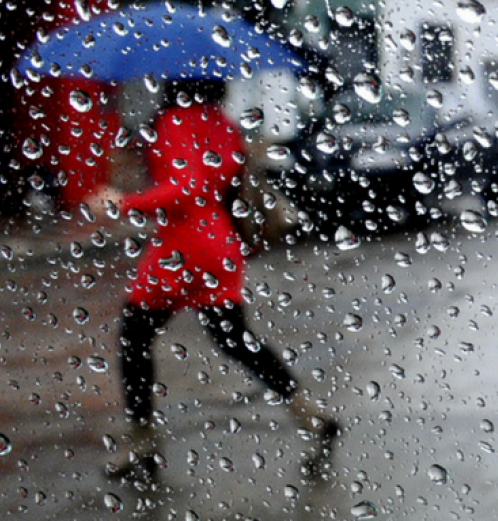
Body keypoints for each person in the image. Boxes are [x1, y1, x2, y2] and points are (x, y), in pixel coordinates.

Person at [105, 80, 337, 483]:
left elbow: (185, 187)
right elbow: (221, 182)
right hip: (219, 241)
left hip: (180, 246)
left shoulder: (174, 120)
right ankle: (311, 416)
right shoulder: (222, 123)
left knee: (134, 336)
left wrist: (124, 202)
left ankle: (142, 444)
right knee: (234, 338)